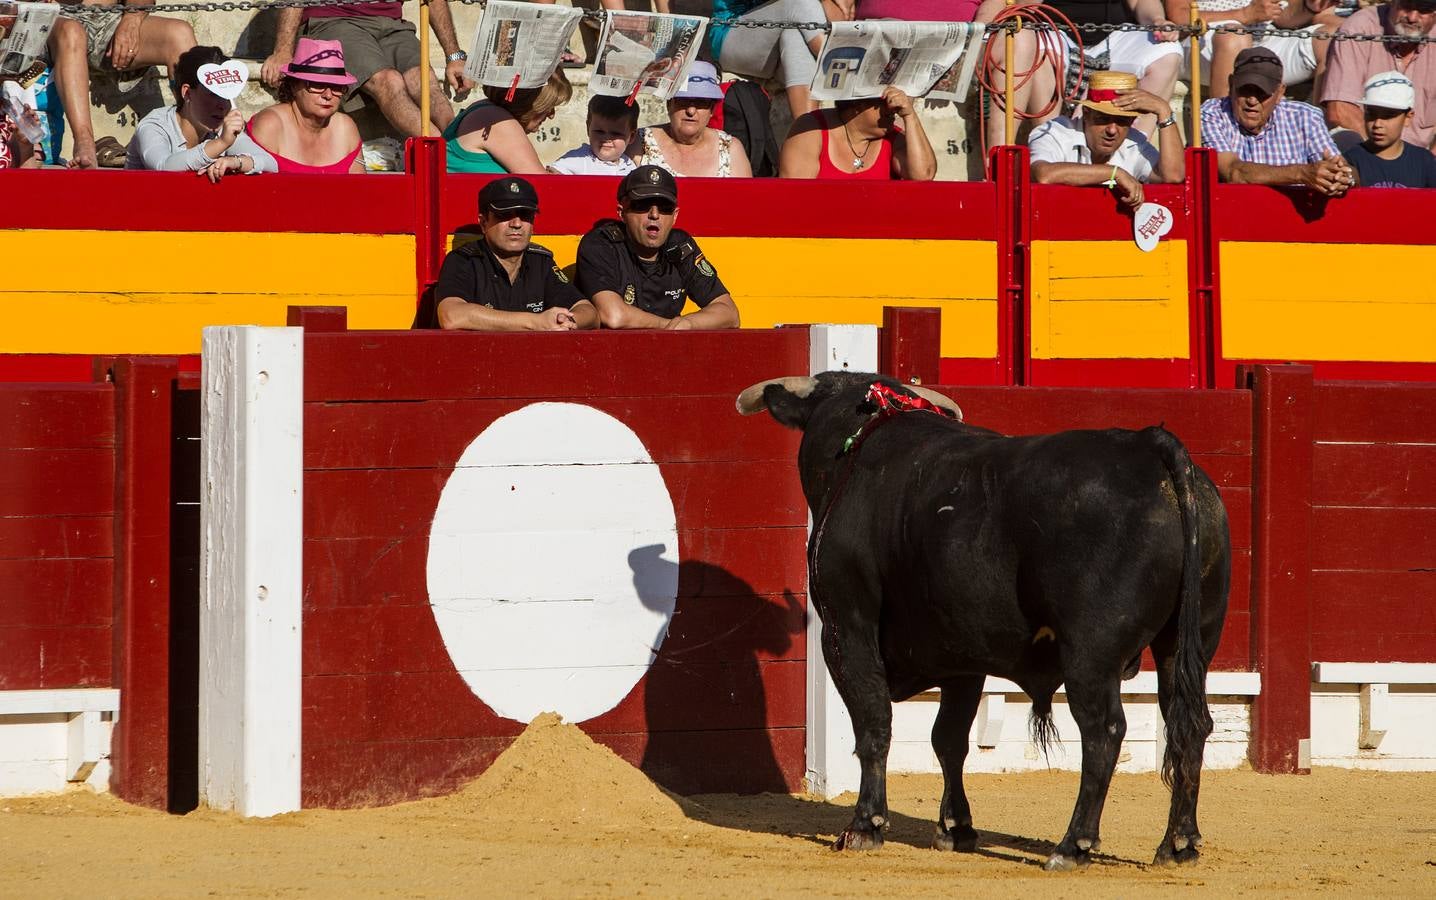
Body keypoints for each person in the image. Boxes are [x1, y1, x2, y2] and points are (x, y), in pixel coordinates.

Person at [977, 0, 1183, 147]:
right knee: (1037, 45)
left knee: (1168, 51)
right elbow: (1025, 7)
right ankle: (1053, 141)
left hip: (1117, 35)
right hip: (1054, 32)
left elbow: (1140, 3)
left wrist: (1157, 20)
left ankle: (1134, 147)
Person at [261, 0, 471, 138]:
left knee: (423, 78)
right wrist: (283, 50)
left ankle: (455, 143)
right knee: (389, 80)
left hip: (392, 25)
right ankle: (442, 152)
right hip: (335, 20)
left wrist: (453, 56)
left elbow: (433, 1)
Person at [576, 165, 741, 331]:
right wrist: (670, 327)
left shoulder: (680, 246)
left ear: (675, 216)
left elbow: (729, 313)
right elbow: (613, 316)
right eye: (643, 205)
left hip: (668, 352)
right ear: (622, 212)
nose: (655, 215)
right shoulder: (600, 244)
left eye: (665, 208)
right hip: (609, 352)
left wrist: (689, 323)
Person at [44, 0, 196, 168]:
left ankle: (192, 140)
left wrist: (132, 17)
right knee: (71, 32)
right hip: (55, 19)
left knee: (180, 34)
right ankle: (84, 143)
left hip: (109, 20)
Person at [434, 177, 599, 332]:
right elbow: (451, 315)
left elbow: (589, 312)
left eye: (525, 215)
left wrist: (567, 321)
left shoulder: (540, 262)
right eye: (505, 215)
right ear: (484, 223)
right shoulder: (464, 260)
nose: (517, 224)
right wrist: (536, 322)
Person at [1201, 47, 1353, 192]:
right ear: (1231, 84)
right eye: (1245, 90)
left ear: (1280, 92)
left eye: (1262, 93)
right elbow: (1232, 172)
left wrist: (1340, 175)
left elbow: (1338, 166)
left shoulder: (1305, 116)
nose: (1252, 101)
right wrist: (1301, 173)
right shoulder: (1212, 114)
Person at [1029, 70, 1184, 207]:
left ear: (1131, 122)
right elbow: (1043, 174)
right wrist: (1114, 173)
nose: (1112, 130)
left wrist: (1164, 111)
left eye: (1122, 121)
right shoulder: (1056, 132)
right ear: (1086, 114)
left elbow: (1174, 176)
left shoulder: (1134, 142)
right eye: (1103, 119)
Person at [125, 45, 277, 180]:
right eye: (213, 94)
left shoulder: (222, 127)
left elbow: (270, 164)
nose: (223, 105)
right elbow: (163, 167)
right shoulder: (154, 125)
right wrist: (220, 143)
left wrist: (236, 161)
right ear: (187, 93)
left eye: (226, 95)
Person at [1321, 0, 1436, 150]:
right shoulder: (1360, 27)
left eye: (1423, 10)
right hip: (1363, 150)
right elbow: (1340, 110)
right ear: (1392, 2)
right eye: (1405, 7)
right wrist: (1383, 159)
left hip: (1422, 160)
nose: (1412, 17)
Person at [709, 0, 852, 115]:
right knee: (800, 2)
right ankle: (846, 70)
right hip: (731, 34)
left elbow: (841, 12)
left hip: (776, 47)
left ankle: (807, 134)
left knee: (794, 35)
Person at [1165, 0, 1326, 100]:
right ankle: (1222, 135)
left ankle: (1327, 140)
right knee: (1235, 35)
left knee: (1328, 38)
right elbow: (1179, 15)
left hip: (1263, 37)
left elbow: (1283, 16)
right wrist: (1244, 14)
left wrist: (1310, 5)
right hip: (1203, 42)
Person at [248, 38, 365, 174]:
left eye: (336, 87)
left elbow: (360, 190)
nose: (328, 95)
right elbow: (255, 190)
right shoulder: (271, 124)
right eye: (317, 85)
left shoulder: (345, 127)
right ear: (293, 85)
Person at [778, 86, 937, 180]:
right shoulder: (811, 128)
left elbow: (924, 176)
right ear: (857, 104)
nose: (892, 107)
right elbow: (794, 198)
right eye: (884, 101)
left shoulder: (892, 137)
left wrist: (910, 116)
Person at [631, 62, 753, 178]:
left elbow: (745, 197)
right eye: (682, 101)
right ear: (669, 104)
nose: (691, 111)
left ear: (712, 109)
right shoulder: (641, 142)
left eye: (701, 103)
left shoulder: (730, 148)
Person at [444, 71, 572, 174]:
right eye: (548, 107)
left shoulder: (484, 109)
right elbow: (543, 187)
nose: (551, 115)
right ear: (528, 104)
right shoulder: (496, 120)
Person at [1343, 70, 1436, 186]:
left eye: (1388, 116)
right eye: (1371, 114)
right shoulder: (1351, 160)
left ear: (1408, 117)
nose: (1377, 123)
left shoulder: (1425, 162)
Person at [548, 93, 638, 176]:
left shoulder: (630, 166)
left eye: (616, 133)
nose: (606, 138)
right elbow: (551, 174)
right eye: (599, 131)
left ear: (632, 136)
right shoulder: (579, 159)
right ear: (588, 128)